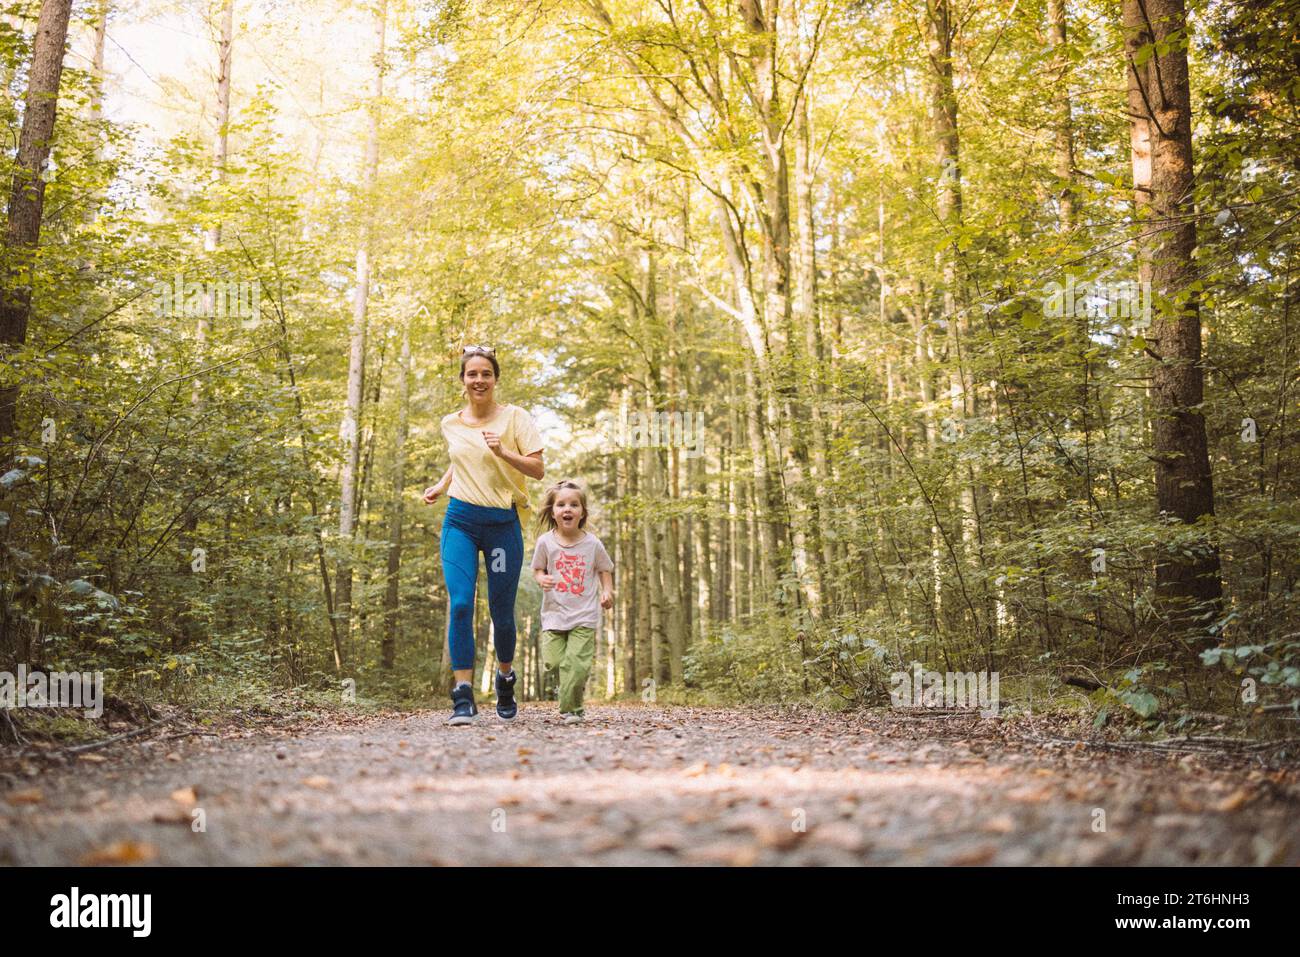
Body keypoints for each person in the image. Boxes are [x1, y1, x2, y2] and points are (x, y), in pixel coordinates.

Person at [424, 346, 544, 725]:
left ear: (495, 379)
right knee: (460, 603)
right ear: (462, 380)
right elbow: (461, 459)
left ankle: (505, 680)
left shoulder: (515, 418)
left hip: (501, 525)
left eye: (485, 374)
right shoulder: (451, 423)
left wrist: (504, 452)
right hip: (460, 519)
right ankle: (462, 695)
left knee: (500, 611)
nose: (479, 380)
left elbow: (538, 469)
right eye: (471, 374)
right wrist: (441, 486)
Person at [531, 480, 613, 724]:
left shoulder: (593, 544)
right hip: (554, 614)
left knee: (575, 664)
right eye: (561, 504)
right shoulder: (545, 542)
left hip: (583, 615)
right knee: (554, 661)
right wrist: (541, 578)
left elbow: (604, 569)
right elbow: (537, 568)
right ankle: (569, 700)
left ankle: (572, 710)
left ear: (582, 512)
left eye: (574, 504)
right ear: (553, 511)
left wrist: (608, 591)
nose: (567, 509)